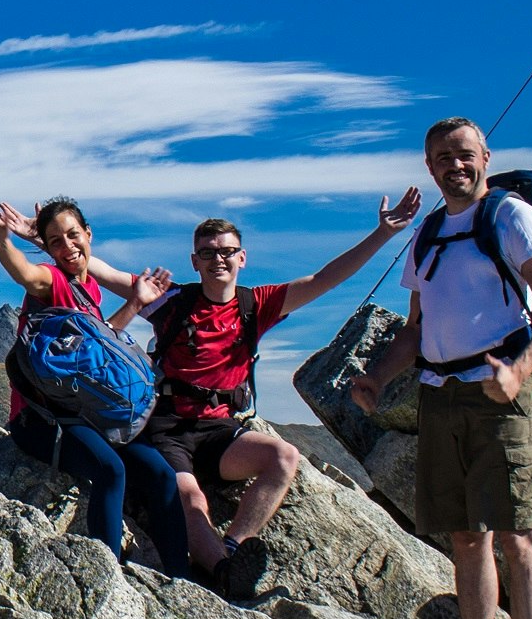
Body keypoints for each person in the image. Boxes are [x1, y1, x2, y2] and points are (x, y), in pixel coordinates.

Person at [352, 118, 532, 619]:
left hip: (502, 392)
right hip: (440, 395)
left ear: (485, 157)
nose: (456, 166)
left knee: (517, 534)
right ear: (429, 166)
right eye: (444, 157)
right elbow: (418, 327)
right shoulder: (426, 235)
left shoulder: (510, 217)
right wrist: (379, 378)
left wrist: (521, 368)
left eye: (466, 155)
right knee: (466, 536)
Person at [137, 193, 422, 594]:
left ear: (242, 258)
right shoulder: (170, 301)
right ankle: (222, 572)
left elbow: (325, 280)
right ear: (195, 261)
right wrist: (44, 240)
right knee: (190, 499)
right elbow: (99, 272)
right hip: (168, 429)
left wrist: (382, 234)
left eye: (227, 251)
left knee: (284, 456)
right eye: (208, 252)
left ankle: (233, 550)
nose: (218, 258)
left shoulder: (257, 304)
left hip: (221, 430)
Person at [0, 197, 188, 577]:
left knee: (161, 474)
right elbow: (27, 274)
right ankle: (109, 576)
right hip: (39, 418)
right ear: (47, 248)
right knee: (111, 470)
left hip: (83, 410)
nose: (68, 246)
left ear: (89, 235)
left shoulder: (90, 288)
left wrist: (136, 302)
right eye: (55, 241)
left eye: (73, 235)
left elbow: (99, 347)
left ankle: (181, 577)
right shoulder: (52, 282)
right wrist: (3, 243)